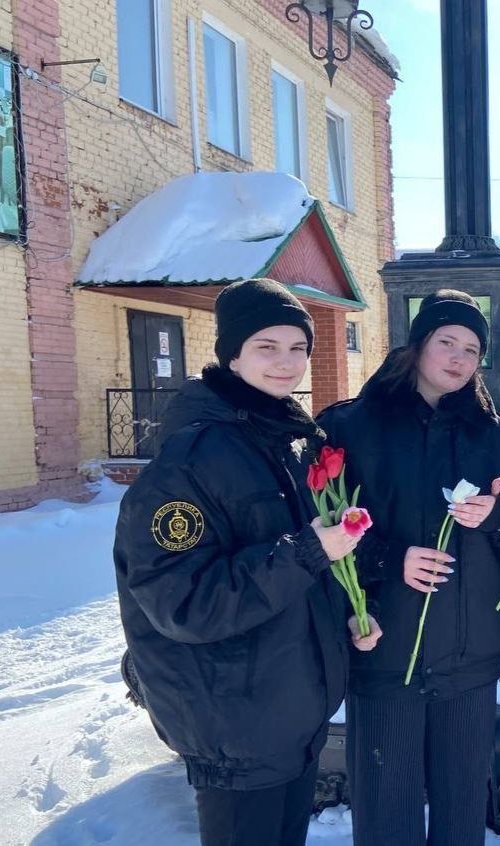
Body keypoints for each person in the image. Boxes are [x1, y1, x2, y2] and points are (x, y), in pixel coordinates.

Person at [114, 278, 381, 846]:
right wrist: (308, 550)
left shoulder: (285, 441)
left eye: (298, 348)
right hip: (235, 722)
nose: (286, 363)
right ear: (231, 353)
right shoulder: (191, 459)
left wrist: (347, 616)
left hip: (289, 712)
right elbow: (183, 603)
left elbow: (303, 574)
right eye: (267, 346)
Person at [317, 289, 500, 846]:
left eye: (471, 349)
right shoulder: (352, 430)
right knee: (388, 813)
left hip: (469, 661)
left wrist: (496, 517)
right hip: (387, 654)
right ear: (418, 346)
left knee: (463, 815)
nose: (459, 359)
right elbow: (319, 532)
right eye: (447, 343)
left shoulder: (499, 442)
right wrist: (389, 558)